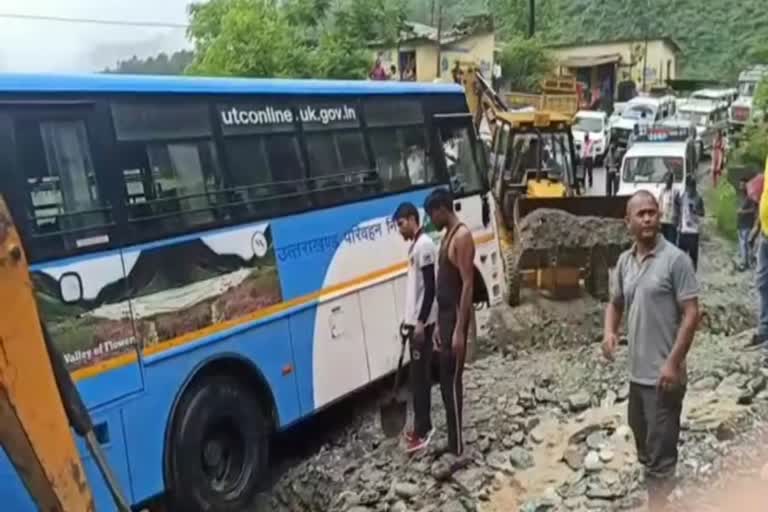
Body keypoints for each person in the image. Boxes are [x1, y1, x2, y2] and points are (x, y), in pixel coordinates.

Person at [603, 190, 700, 511]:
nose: (648, 218)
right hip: (637, 376)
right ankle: (659, 488)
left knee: (660, 455)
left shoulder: (676, 260)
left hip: (664, 378)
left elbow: (691, 314)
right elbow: (615, 304)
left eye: (652, 212)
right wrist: (609, 333)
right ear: (627, 221)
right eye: (641, 214)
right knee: (643, 443)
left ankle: (658, 502)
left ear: (660, 217)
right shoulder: (624, 262)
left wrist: (673, 363)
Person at [424, 189, 475, 456]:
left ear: (443, 209)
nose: (431, 219)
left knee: (453, 381)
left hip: (455, 316)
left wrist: (459, 330)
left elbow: (467, 284)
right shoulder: (447, 238)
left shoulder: (462, 237)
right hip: (444, 317)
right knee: (444, 381)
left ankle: (458, 448)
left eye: (432, 213)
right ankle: (452, 440)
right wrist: (437, 325)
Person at [393, 202, 437, 453]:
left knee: (421, 380)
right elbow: (416, 291)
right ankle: (420, 426)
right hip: (414, 324)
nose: (399, 230)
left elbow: (430, 287)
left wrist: (420, 322)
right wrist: (408, 319)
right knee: (416, 378)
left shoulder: (425, 246)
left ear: (411, 219)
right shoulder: (415, 247)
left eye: (400, 224)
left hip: (423, 326)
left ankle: (424, 431)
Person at [677, 175, 705, 270]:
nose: (689, 189)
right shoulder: (683, 196)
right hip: (683, 231)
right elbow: (679, 209)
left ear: (694, 187)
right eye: (687, 186)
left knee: (693, 256)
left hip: (693, 231)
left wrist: (695, 211)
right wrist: (679, 224)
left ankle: (693, 273)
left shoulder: (698, 198)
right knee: (680, 255)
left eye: (690, 187)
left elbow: (702, 213)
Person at [736, 176, 757, 271]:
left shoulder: (750, 196)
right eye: (740, 184)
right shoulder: (741, 196)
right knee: (742, 244)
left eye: (743, 184)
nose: (741, 186)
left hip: (747, 224)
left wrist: (742, 212)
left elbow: (753, 210)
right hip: (740, 223)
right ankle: (745, 262)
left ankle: (746, 263)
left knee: (746, 244)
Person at [657, 172, 680, 244]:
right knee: (662, 243)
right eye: (666, 179)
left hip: (671, 221)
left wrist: (678, 220)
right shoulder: (662, 191)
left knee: (671, 242)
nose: (667, 181)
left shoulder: (675, 192)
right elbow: (660, 204)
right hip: (663, 221)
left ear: (672, 181)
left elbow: (678, 206)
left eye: (669, 179)